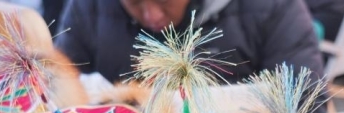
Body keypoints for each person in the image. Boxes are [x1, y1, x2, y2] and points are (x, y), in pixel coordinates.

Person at [54, 0, 325, 85]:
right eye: (135, 3)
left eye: (163, 0)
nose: (152, 15)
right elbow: (60, 81)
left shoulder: (272, 7)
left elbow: (305, 106)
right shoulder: (88, 7)